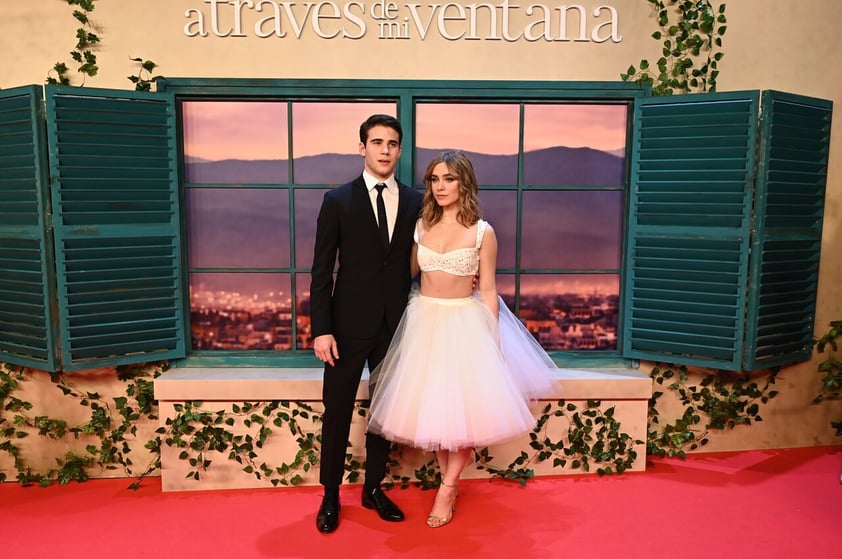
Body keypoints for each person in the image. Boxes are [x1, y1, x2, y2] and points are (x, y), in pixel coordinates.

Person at [366, 150, 557, 528]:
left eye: (448, 179)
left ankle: (448, 487)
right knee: (434, 411)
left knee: (467, 412)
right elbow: (403, 277)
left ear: (464, 182)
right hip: (424, 321)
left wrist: (493, 341)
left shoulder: (483, 232)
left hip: (465, 325)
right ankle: (447, 480)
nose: (440, 186)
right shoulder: (420, 225)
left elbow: (487, 290)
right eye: (435, 179)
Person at [309, 114, 424, 534]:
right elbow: (321, 270)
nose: (385, 150)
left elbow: (424, 257)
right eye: (377, 142)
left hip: (395, 327)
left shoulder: (416, 201)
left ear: (399, 149)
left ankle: (373, 488)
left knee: (384, 413)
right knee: (336, 413)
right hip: (342, 329)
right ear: (362, 148)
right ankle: (330, 496)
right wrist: (321, 328)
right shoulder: (337, 200)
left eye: (392, 143)